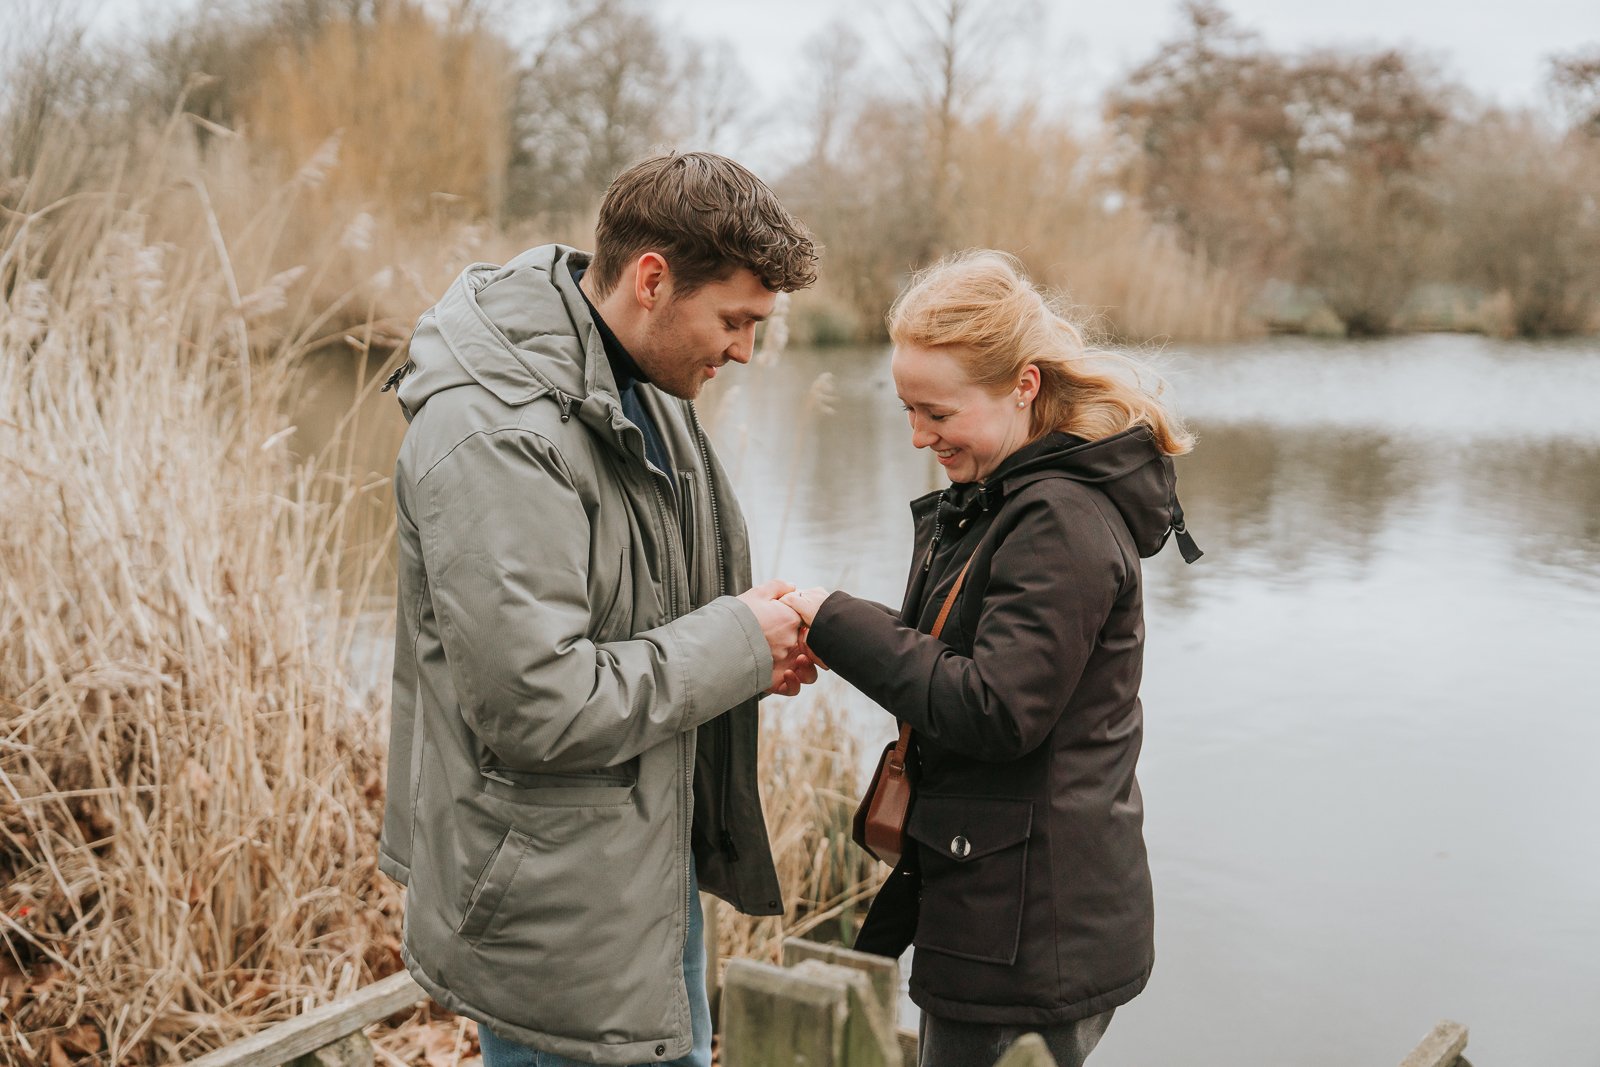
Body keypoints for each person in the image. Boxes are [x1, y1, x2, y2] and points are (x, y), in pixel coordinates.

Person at [377, 152, 821, 1067]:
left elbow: (652, 614)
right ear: (652, 280)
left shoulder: (638, 384)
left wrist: (754, 646)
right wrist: (737, 641)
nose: (744, 350)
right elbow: (538, 702)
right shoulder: (494, 432)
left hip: (640, 880)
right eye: (735, 320)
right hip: (554, 914)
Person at [781, 250, 1201, 1067]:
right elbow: (949, 654)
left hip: (1031, 935)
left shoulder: (1059, 521)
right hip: (1002, 908)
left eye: (937, 412)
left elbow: (995, 708)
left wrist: (833, 619)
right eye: (907, 408)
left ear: (1024, 385)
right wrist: (823, 618)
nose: (918, 436)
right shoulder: (1008, 495)